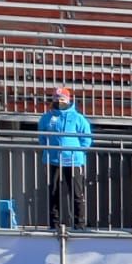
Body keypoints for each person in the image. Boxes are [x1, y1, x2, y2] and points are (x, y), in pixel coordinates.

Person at [37, 85, 93, 229]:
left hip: (73, 161)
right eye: (55, 98)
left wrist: (78, 152)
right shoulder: (46, 118)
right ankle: (54, 224)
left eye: (61, 98)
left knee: (76, 194)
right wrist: (48, 150)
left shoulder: (78, 118)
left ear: (68, 100)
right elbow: (42, 136)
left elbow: (86, 139)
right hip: (52, 160)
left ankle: (79, 224)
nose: (58, 101)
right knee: (53, 192)